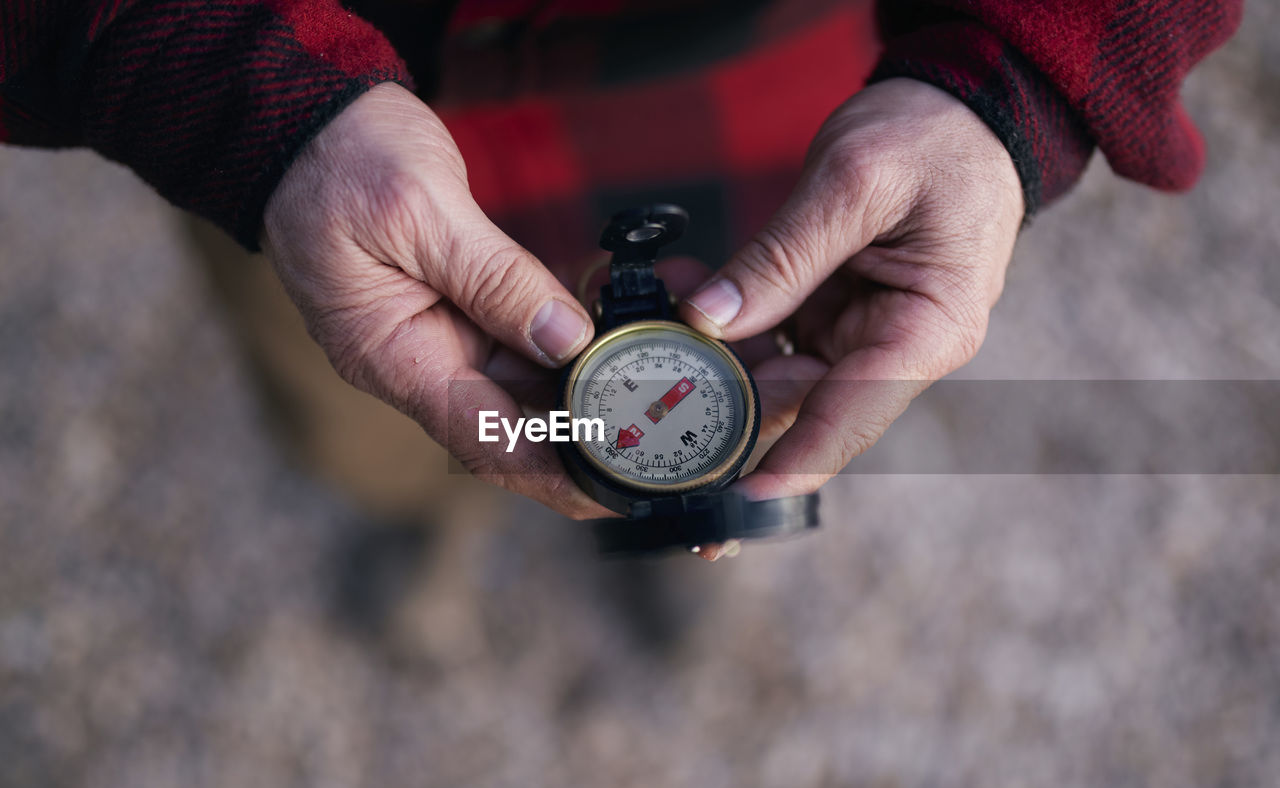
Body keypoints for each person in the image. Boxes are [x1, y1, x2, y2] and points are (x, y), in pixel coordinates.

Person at [0, 0, 1243, 526]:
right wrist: (235, 86)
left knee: (762, 402)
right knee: (379, 421)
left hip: (779, 127)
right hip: (305, 132)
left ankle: (677, 527)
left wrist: (1007, 76)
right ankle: (422, 521)